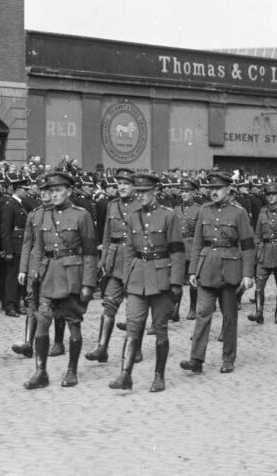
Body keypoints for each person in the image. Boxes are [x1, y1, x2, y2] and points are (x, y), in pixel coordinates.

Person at [109, 172, 185, 392]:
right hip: (137, 279)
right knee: (133, 326)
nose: (139, 196)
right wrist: (126, 279)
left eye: (143, 192)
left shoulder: (168, 216)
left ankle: (159, 377)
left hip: (161, 279)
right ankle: (126, 375)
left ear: (155, 192)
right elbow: (129, 251)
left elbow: (177, 252)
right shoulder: (133, 217)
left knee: (160, 329)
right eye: (137, 192)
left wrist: (176, 283)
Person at [23, 171, 98, 389]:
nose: (53, 195)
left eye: (58, 190)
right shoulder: (43, 215)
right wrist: (33, 275)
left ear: (69, 191)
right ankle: (41, 371)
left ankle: (72, 371)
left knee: (73, 324)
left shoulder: (81, 215)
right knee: (42, 321)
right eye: (50, 191)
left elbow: (90, 252)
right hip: (47, 277)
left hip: (71, 277)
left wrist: (87, 284)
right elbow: (38, 249)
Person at [180, 171, 255, 375]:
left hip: (230, 270)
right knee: (203, 314)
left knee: (229, 317)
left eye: (218, 189)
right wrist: (193, 270)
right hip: (207, 269)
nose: (214, 192)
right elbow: (197, 243)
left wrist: (248, 274)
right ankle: (196, 359)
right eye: (211, 189)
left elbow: (248, 245)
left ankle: (228, 358)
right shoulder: (204, 211)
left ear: (228, 189)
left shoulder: (238, 213)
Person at [84, 168, 136, 363]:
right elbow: (106, 235)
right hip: (115, 262)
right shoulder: (112, 205)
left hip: (134, 262)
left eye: (126, 184)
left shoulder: (140, 206)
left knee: (135, 308)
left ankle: (135, 348)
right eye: (119, 184)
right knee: (109, 303)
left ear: (134, 187)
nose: (121, 187)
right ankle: (102, 347)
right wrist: (104, 259)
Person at [14, 176, 51, 358]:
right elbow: (27, 243)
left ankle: (56, 342)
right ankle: (28, 343)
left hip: (53, 263)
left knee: (53, 301)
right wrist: (23, 269)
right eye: (41, 190)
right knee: (31, 299)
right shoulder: (33, 214)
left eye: (47, 190)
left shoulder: (59, 213)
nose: (44, 194)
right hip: (35, 262)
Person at [249, 182, 277, 324]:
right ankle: (259, 312)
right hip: (264, 252)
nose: (271, 197)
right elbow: (257, 235)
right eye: (268, 194)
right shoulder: (262, 213)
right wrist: (256, 252)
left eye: (274, 194)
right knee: (259, 285)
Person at [0, 173, 31, 317]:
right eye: (25, 189)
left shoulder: (21, 205)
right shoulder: (9, 205)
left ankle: (17, 304)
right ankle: (10, 305)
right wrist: (8, 250)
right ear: (17, 189)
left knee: (20, 276)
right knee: (12, 278)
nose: (27, 191)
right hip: (14, 245)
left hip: (21, 246)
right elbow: (5, 230)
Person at [174, 178, 201, 320]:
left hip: (192, 247)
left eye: (187, 192)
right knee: (177, 280)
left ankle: (192, 309)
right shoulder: (176, 209)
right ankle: (175, 310)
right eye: (182, 192)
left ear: (194, 192)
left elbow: (199, 233)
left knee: (193, 280)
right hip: (179, 248)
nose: (184, 194)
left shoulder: (199, 210)